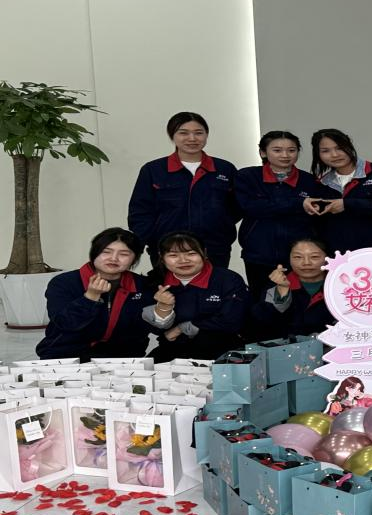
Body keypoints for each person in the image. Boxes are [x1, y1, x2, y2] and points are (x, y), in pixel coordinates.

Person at [128, 112, 240, 267]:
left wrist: (221, 228)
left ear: (206, 135)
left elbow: (236, 207)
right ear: (172, 136)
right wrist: (153, 240)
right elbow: (140, 211)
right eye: (183, 133)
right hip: (167, 249)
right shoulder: (153, 170)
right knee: (168, 284)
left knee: (215, 283)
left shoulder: (224, 169)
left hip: (214, 249)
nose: (192, 138)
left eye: (198, 133)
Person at [37, 228, 154, 359]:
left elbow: (152, 326)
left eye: (124, 254)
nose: (114, 258)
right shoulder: (64, 282)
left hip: (122, 358)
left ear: (134, 259)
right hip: (67, 356)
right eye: (106, 252)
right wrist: (90, 297)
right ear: (94, 252)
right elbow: (65, 323)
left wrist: (164, 310)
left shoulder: (143, 285)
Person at [234, 130, 319, 298]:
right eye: (277, 150)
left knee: (299, 300)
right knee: (261, 301)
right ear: (263, 153)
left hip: (299, 256)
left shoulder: (309, 181)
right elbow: (250, 206)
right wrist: (298, 204)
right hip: (258, 254)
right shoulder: (248, 176)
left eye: (291, 150)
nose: (285, 155)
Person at [143, 232, 248, 362]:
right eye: (173, 255)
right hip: (174, 348)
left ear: (204, 253)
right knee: (144, 370)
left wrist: (183, 328)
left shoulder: (227, 279)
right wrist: (163, 308)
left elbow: (233, 320)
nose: (183, 260)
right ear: (162, 257)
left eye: (191, 254)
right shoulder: (154, 282)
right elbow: (154, 328)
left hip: (222, 349)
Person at [306, 128, 372, 254]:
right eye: (325, 151)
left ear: (349, 145)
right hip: (341, 257)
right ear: (318, 154)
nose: (334, 155)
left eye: (339, 148)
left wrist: (347, 204)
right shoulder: (322, 183)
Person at [249, 238, 334, 338]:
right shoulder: (277, 284)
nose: (306, 263)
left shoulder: (340, 284)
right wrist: (281, 292)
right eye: (298, 257)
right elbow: (262, 322)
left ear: (327, 258)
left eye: (314, 257)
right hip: (289, 346)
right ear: (289, 259)